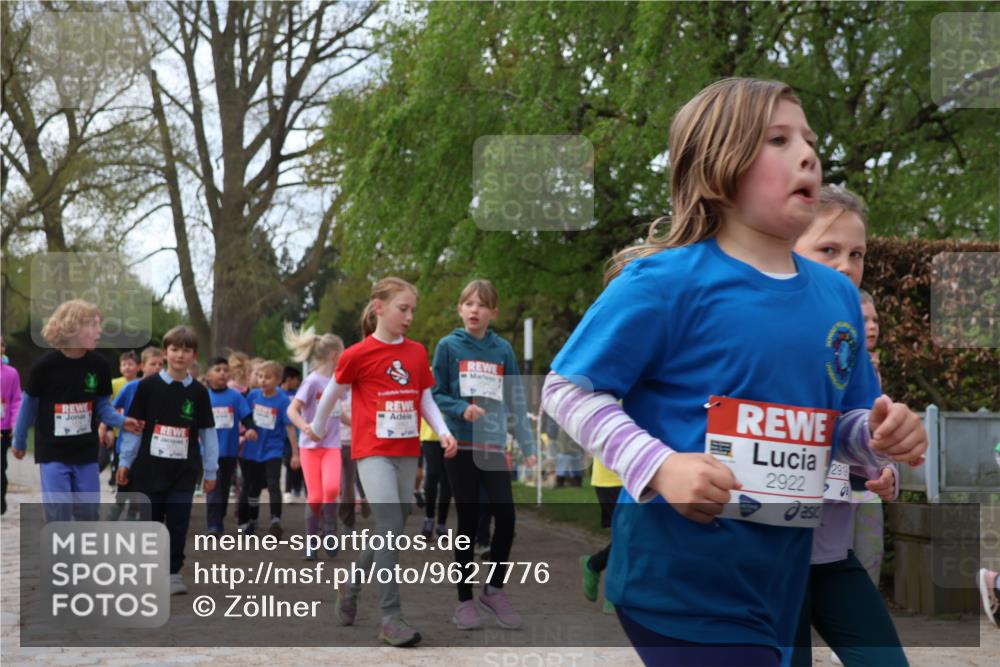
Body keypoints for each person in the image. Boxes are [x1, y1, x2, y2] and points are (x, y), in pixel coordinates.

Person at [540, 78, 927, 666]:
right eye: (778, 139)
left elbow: (842, 423)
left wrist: (875, 436)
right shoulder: (665, 282)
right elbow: (566, 389)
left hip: (781, 581)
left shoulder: (836, 297)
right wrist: (660, 465)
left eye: (810, 140)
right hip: (676, 584)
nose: (808, 154)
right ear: (720, 166)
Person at [791, 185, 906, 666]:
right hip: (767, 557)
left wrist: (883, 463)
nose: (845, 266)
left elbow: (853, 438)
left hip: (831, 554)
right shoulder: (762, 327)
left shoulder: (850, 343)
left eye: (856, 254)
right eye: (828, 250)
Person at [310, 276, 458, 647]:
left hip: (407, 452)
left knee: (391, 526)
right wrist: (315, 427)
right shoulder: (357, 354)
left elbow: (424, 398)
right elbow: (330, 395)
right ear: (379, 307)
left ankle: (351, 585)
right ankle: (391, 617)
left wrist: (441, 431)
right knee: (390, 522)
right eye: (402, 309)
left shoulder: (417, 353)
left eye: (412, 310)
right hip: (371, 450)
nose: (409, 316)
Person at [431, 278, 537, 630]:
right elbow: (435, 393)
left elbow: (517, 400)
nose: (474, 310)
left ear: (494, 312)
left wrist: (528, 445)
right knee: (469, 520)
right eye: (468, 303)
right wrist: (460, 408)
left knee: (506, 518)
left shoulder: (502, 350)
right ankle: (464, 601)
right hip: (461, 446)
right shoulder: (448, 346)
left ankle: (493, 590)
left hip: (493, 446)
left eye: (481, 305)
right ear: (460, 309)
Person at [13, 300, 142, 522]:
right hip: (53, 451)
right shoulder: (45, 366)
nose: (100, 330)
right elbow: (28, 406)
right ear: (72, 327)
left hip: (85, 451)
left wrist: (121, 421)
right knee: (59, 511)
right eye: (93, 325)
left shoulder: (99, 365)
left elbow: (102, 405)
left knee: (89, 512)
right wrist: (20, 440)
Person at [116, 326, 218, 595]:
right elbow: (135, 427)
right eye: (174, 349)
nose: (180, 355)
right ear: (164, 353)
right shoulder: (146, 386)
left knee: (178, 520)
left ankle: (172, 572)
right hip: (148, 469)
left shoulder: (198, 393)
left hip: (183, 471)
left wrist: (211, 471)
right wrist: (125, 461)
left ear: (194, 355)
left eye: (186, 350)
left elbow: (208, 433)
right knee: (149, 520)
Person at [285, 325, 345, 559]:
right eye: (344, 353)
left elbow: (342, 413)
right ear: (334, 355)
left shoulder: (339, 382)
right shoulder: (312, 381)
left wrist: (365, 423)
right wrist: (305, 428)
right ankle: (311, 542)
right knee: (316, 496)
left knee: (332, 488)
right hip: (310, 449)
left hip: (331, 446)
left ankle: (330, 529)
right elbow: (292, 410)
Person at [240, 360, 298, 538]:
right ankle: (252, 521)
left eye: (268, 377)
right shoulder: (253, 396)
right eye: (260, 376)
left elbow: (289, 427)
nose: (263, 380)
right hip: (252, 450)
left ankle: (275, 522)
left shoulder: (282, 401)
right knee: (253, 488)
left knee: (273, 485)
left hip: (273, 449)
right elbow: (245, 417)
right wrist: (245, 433)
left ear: (278, 380)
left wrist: (296, 453)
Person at [106, 347, 164, 521]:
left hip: (151, 446)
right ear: (142, 366)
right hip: (127, 443)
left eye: (161, 364)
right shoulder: (131, 387)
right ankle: (115, 513)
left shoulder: (165, 389)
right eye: (153, 364)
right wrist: (106, 428)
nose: (157, 368)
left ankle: (133, 515)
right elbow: (111, 409)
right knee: (125, 481)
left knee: (141, 484)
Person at [204, 356, 257, 535]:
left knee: (224, 488)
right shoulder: (203, 397)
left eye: (225, 370)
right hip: (209, 452)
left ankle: (219, 517)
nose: (222, 373)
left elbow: (247, 417)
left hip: (229, 451)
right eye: (218, 370)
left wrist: (250, 429)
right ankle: (213, 524)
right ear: (208, 374)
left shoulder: (235, 396)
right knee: (213, 487)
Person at [581, 455, 622, 615]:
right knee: (625, 537)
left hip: (635, 478)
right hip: (611, 480)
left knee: (631, 537)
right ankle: (612, 595)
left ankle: (593, 564)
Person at [419, 417, 452, 539]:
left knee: (447, 479)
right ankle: (429, 519)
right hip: (430, 434)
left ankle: (442, 523)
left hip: (451, 433)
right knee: (432, 474)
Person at [1, 335, 22, 515]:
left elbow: (16, 400)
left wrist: (16, 424)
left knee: (0, 467)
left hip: (3, 429)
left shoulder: (11, 373)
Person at [281, 365, 305, 502]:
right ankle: (288, 490)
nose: (298, 382)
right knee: (288, 461)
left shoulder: (298, 394)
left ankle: (296, 487)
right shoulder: (278, 393)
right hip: (283, 435)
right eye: (297, 379)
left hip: (297, 432)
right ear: (289, 379)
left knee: (299, 461)